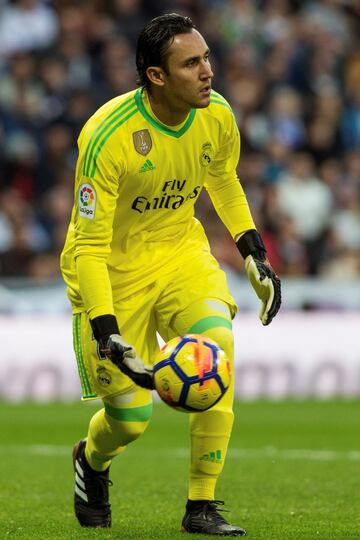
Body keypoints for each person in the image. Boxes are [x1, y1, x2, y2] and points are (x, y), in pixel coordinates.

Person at [60, 13, 281, 537]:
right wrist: (107, 331)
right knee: (130, 422)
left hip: (181, 252)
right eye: (191, 63)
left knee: (216, 354)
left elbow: (222, 179)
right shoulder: (108, 135)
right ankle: (92, 459)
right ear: (156, 76)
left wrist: (252, 250)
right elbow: (90, 246)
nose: (208, 71)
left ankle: (201, 506)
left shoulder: (217, 114)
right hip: (113, 271)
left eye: (206, 58)